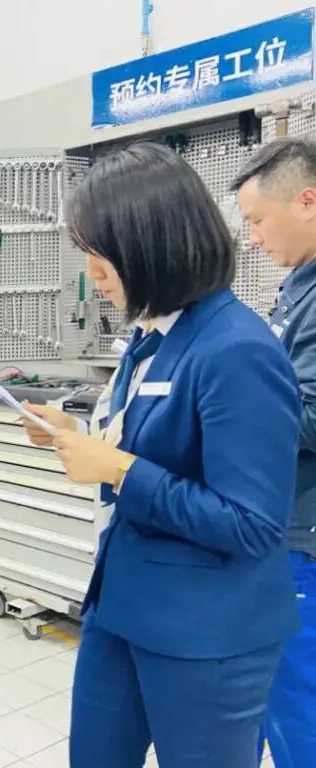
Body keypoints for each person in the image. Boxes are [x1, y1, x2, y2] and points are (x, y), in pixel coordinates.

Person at [21, 142, 300, 768]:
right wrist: (78, 434)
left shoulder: (237, 350)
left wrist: (119, 470)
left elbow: (251, 525)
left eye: (101, 252)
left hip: (207, 633)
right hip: (122, 605)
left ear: (153, 244)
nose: (92, 272)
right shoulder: (155, 335)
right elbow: (153, 440)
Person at [232, 138, 316, 768]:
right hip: (277, 524)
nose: (254, 238)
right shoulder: (297, 289)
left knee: (297, 707)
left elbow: (310, 415)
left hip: (302, 537)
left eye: (258, 221)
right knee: (271, 698)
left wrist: (229, 403)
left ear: (307, 201)